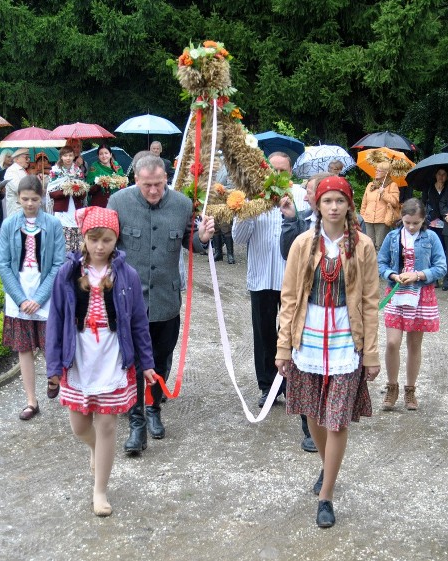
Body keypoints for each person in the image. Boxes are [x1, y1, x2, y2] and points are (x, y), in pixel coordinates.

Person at [274, 175, 380, 529]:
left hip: (346, 342)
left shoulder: (362, 246)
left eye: (340, 200)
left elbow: (369, 302)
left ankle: (326, 496)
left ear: (349, 205)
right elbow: (289, 299)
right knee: (314, 417)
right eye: (327, 200)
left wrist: (371, 353)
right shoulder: (303, 244)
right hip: (309, 338)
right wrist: (283, 347)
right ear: (317, 206)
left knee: (336, 420)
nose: (334, 206)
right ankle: (327, 464)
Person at [45, 207, 157, 517]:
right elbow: (55, 320)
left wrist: (146, 362)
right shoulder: (67, 274)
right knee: (80, 426)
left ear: (115, 240)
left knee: (107, 425)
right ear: (84, 238)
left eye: (107, 240)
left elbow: (138, 322)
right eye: (94, 239)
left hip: (113, 357)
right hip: (78, 357)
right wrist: (53, 367)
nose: (100, 246)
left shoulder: (127, 275)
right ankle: (93, 447)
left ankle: (100, 490)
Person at [107, 155, 214, 454]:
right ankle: (137, 421)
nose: (153, 191)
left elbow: (189, 242)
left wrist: (202, 238)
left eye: (158, 184)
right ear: (136, 180)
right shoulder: (118, 202)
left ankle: (154, 408)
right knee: (135, 361)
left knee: (161, 357)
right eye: (146, 185)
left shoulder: (181, 204)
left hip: (166, 301)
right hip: (130, 301)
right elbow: (105, 244)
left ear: (166, 179)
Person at [233, 151, 316, 452]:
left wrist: (290, 214)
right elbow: (239, 238)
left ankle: (293, 383)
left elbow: (309, 230)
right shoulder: (255, 196)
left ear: (290, 172)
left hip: (292, 279)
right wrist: (250, 210)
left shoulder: (300, 196)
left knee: (293, 332)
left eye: (283, 170)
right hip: (261, 276)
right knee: (264, 332)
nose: (277, 175)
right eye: (272, 169)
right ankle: (268, 384)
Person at [0, 175, 65, 420]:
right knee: (24, 349)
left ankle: (54, 378)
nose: (29, 204)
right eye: (25, 199)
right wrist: (20, 298)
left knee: (50, 343)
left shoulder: (53, 225)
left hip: (44, 289)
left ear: (42, 198)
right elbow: (3, 264)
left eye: (34, 199)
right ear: (18, 198)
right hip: (18, 290)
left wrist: (39, 297)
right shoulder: (9, 225)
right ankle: (31, 401)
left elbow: (58, 263)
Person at [378, 198, 447, 411]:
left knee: (414, 345)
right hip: (397, 293)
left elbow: (441, 267)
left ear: (423, 220)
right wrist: (392, 274)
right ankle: (392, 387)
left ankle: (410, 390)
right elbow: (381, 263)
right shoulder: (392, 237)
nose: (410, 226)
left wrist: (419, 274)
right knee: (392, 343)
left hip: (421, 295)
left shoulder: (431, 237)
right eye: (407, 222)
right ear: (402, 218)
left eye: (415, 223)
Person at [47, 146, 87, 252]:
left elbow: (83, 193)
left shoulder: (78, 171)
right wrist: (66, 190)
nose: (68, 158)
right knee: (62, 238)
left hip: (75, 209)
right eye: (65, 155)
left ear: (74, 156)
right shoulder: (55, 171)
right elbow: (51, 193)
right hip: (62, 210)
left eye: (70, 155)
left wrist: (76, 190)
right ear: (61, 157)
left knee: (77, 238)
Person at [359, 162, 400, 251]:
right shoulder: (371, 185)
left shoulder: (392, 185)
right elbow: (364, 202)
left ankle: (379, 264)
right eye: (376, 170)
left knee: (380, 246)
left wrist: (384, 193)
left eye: (379, 170)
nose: (376, 172)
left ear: (386, 173)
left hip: (382, 220)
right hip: (368, 219)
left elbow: (395, 203)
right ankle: (369, 264)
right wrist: (363, 216)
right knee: (368, 245)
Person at [422, 167, 448, 251]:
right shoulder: (428, 188)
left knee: (441, 246)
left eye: (444, 174)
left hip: (444, 222)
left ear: (447, 177)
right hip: (430, 222)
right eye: (439, 174)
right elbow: (423, 203)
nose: (441, 176)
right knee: (429, 245)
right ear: (435, 175)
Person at [4, 148, 31, 216]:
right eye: (26, 158)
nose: (28, 160)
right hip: (16, 210)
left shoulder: (22, 170)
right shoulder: (12, 171)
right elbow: (18, 189)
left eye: (29, 157)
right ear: (16, 159)